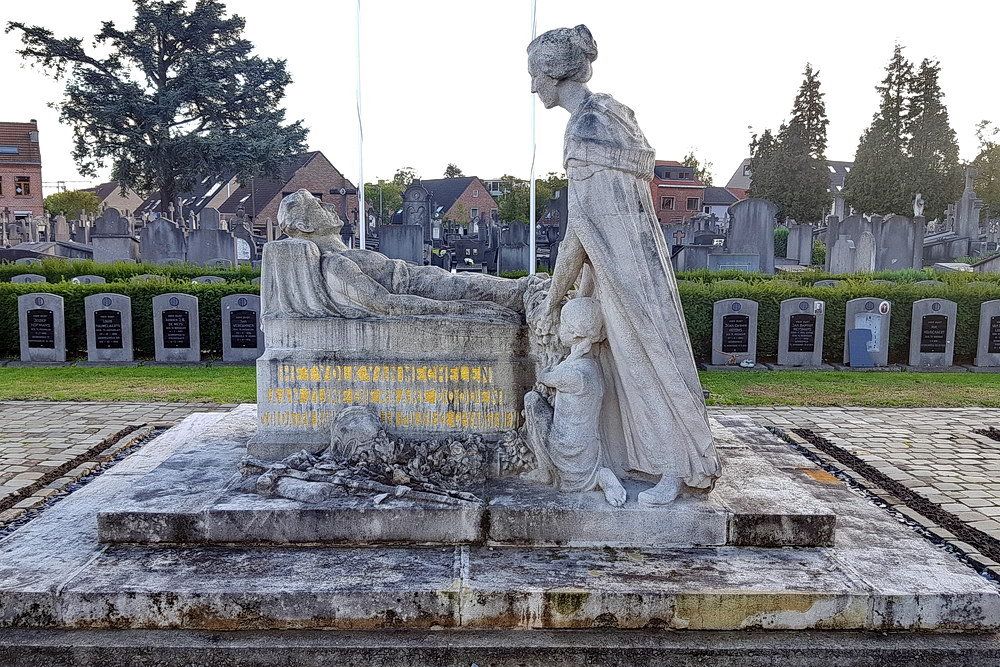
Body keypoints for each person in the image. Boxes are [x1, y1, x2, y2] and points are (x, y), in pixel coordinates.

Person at [527, 25, 720, 505]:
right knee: (636, 369)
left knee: (647, 369)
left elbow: (580, 228)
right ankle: (634, 462)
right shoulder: (610, 114)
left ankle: (676, 468)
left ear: (553, 73)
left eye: (534, 76)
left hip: (624, 275)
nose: (532, 87)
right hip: (631, 266)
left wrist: (553, 302)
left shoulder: (588, 127)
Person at [261, 189, 529, 322]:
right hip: (428, 287)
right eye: (318, 205)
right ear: (306, 226)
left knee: (510, 289)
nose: (329, 204)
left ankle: (530, 291)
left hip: (427, 278)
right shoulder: (335, 263)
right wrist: (459, 309)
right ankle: (529, 292)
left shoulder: (343, 255)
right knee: (506, 291)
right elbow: (385, 304)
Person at [523, 297, 626, 507]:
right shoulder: (591, 368)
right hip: (589, 448)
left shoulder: (571, 373)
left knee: (532, 400)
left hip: (565, 445)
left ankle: (546, 470)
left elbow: (545, 376)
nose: (559, 329)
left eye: (563, 324)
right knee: (581, 476)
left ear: (575, 333)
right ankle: (601, 476)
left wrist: (564, 362)